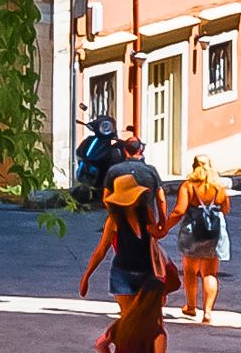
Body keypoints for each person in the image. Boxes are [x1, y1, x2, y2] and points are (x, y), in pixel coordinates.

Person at [77, 132, 163, 299]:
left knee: (134, 318)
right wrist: (164, 223)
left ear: (125, 150)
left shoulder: (119, 217)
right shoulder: (143, 213)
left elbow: (101, 250)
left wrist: (86, 276)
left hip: (137, 273)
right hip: (132, 274)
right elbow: (160, 201)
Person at [171, 164, 231, 322]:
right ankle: (208, 312)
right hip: (214, 233)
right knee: (210, 273)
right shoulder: (218, 188)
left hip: (193, 231)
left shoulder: (188, 186)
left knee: (190, 270)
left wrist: (164, 227)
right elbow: (226, 209)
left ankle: (191, 306)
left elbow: (179, 210)